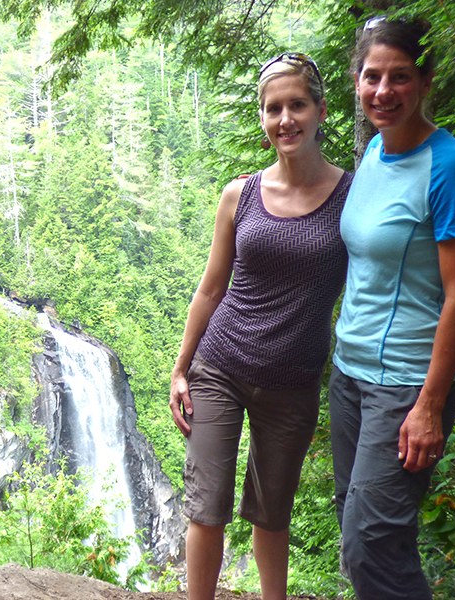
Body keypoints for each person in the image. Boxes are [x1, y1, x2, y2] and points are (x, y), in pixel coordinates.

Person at [168, 52, 351, 600]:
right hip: (220, 365)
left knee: (272, 512)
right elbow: (211, 287)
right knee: (207, 506)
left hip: (292, 381)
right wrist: (181, 369)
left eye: (297, 105)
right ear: (263, 119)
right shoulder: (240, 194)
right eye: (274, 109)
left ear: (320, 110)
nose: (285, 119)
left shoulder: (351, 197)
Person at [329, 16, 455, 600]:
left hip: (407, 385)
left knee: (372, 542)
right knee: (362, 532)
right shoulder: (373, 151)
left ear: (425, 81)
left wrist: (429, 405)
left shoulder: (450, 167)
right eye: (372, 76)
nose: (383, 91)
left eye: (400, 77)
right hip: (350, 375)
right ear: (356, 80)